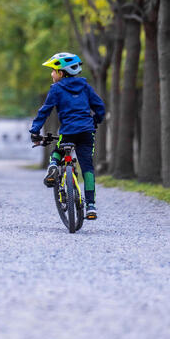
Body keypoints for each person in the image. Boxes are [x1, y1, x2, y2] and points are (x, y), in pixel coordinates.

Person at [29, 52, 105, 220]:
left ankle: (54, 165)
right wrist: (95, 121)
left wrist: (35, 131)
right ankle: (91, 206)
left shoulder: (56, 89)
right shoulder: (85, 87)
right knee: (87, 168)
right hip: (86, 132)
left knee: (58, 149)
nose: (51, 74)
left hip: (68, 132)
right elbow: (100, 107)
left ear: (61, 73)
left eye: (53, 70)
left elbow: (45, 111)